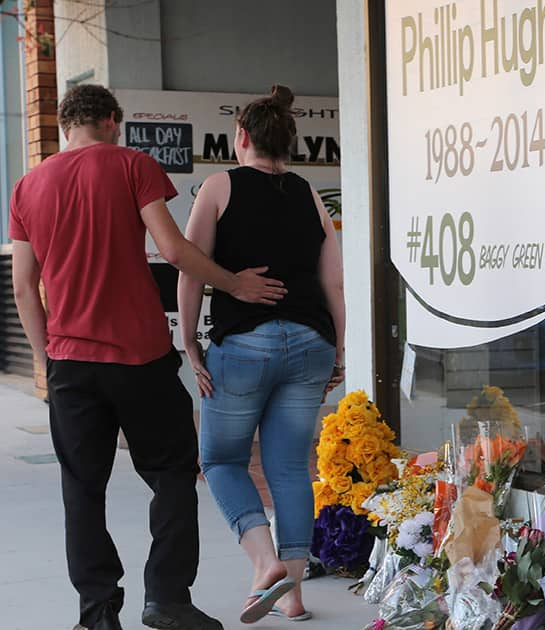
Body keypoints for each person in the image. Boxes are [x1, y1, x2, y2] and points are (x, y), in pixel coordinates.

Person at [10, 85, 287, 630]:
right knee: (173, 474)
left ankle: (96, 615)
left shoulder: (27, 187)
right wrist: (235, 285)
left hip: (71, 364)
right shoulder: (133, 164)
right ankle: (166, 598)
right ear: (113, 120)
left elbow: (24, 287)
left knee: (82, 491)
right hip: (139, 358)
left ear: (67, 126)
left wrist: (49, 362)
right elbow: (175, 249)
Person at [177, 84, 346, 624]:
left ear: (242, 137)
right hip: (311, 342)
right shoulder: (310, 195)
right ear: (288, 143)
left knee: (220, 459)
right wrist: (338, 355)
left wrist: (190, 342)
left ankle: (265, 562)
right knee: (291, 468)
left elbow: (191, 269)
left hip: (245, 343)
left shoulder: (218, 186)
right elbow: (334, 285)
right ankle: (293, 596)